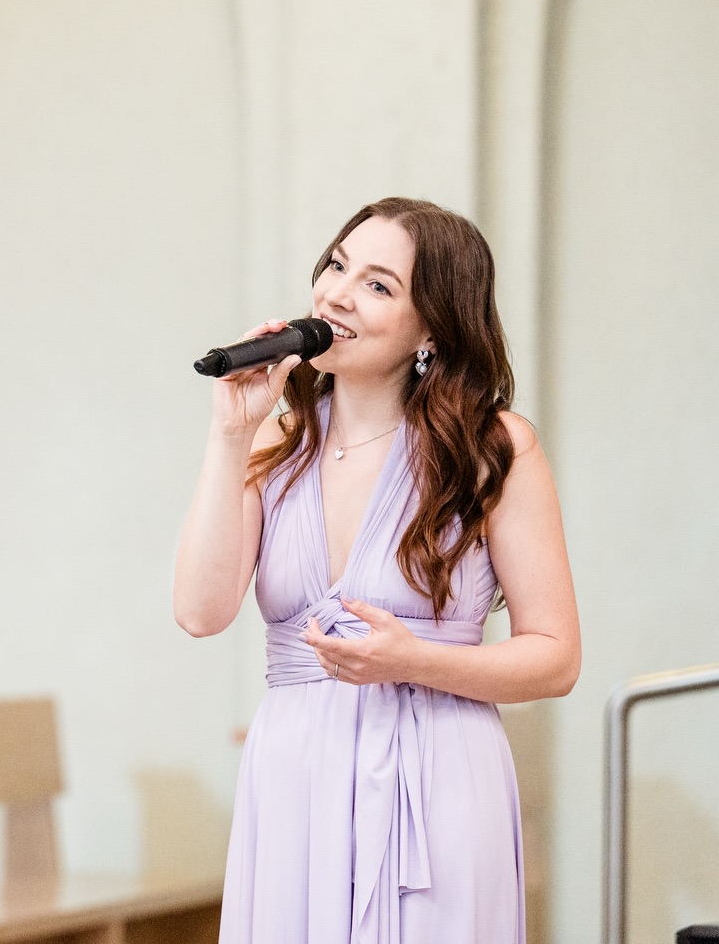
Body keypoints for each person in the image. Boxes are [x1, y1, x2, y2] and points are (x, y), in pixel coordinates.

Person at [173, 198, 580, 944]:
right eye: (336, 266)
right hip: (295, 776)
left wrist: (413, 659)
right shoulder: (277, 444)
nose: (335, 293)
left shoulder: (495, 446)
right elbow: (201, 611)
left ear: (432, 328)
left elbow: (555, 657)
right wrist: (230, 432)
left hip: (439, 776)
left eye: (378, 284)